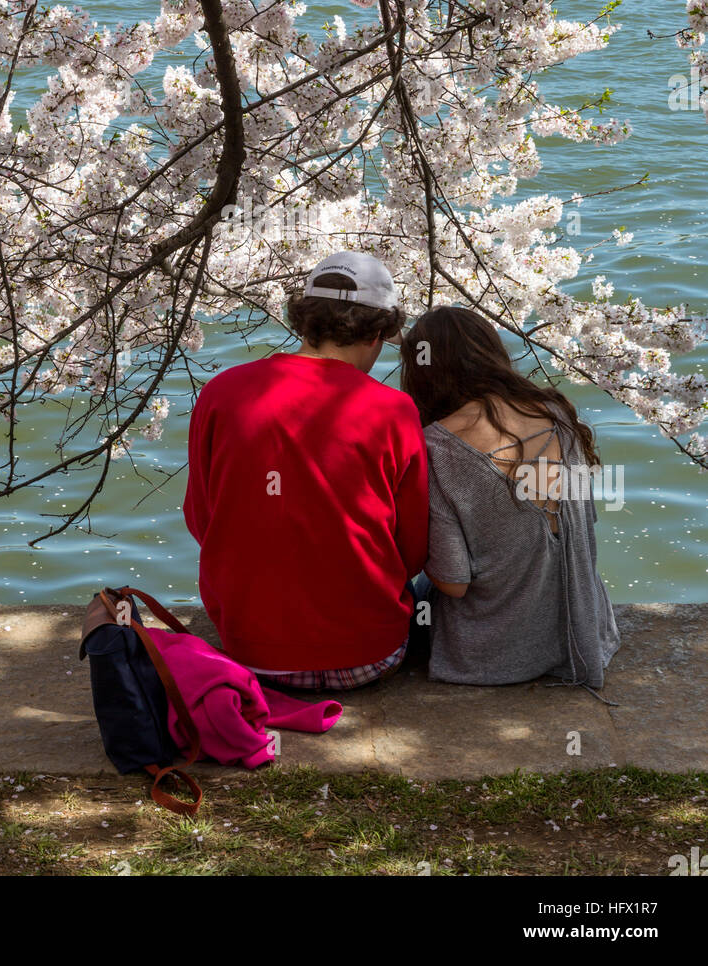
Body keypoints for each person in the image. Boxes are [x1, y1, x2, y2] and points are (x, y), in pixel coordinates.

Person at [183, 252, 429, 691]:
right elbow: (412, 550)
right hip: (370, 654)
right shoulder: (395, 410)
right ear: (377, 334)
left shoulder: (221, 392)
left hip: (249, 652)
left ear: (305, 320)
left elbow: (203, 520)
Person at [400, 305, 620, 691]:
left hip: (490, 653)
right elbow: (584, 525)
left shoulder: (436, 445)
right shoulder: (558, 414)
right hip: (584, 635)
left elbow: (454, 583)